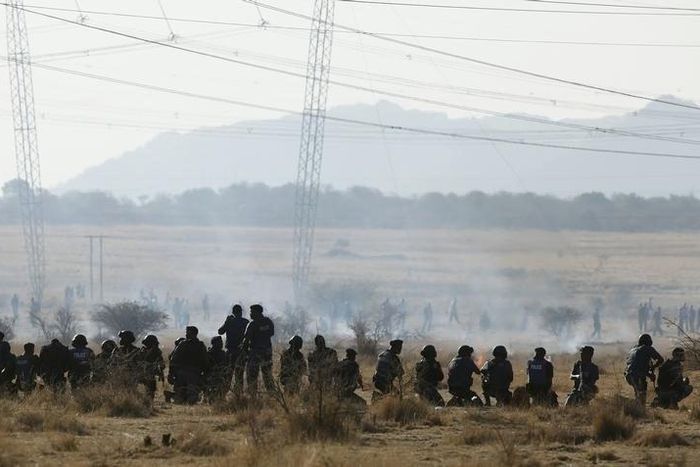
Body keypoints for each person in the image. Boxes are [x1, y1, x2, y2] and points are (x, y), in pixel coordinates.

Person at [242, 304, 275, 396]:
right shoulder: (268, 322)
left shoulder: (252, 324)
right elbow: (271, 333)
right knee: (267, 374)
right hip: (267, 351)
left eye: (252, 312)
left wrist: (243, 353)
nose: (250, 314)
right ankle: (272, 394)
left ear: (257, 312)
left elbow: (246, 340)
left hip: (255, 352)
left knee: (251, 375)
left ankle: (253, 395)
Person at [169, 326, 209, 404]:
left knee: (182, 396)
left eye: (188, 333)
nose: (186, 334)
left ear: (194, 333)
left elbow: (173, 359)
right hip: (192, 374)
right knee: (190, 397)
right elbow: (206, 362)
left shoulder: (183, 344)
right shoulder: (200, 345)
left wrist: (171, 373)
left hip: (185, 373)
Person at [625, 334, 664, 405]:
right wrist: (653, 367)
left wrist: (649, 374)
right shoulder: (647, 348)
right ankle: (638, 409)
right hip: (638, 376)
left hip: (628, 375)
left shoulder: (632, 349)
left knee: (638, 393)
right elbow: (661, 359)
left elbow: (635, 366)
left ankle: (635, 407)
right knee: (641, 395)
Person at [218, 304, 249, 394]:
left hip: (231, 351)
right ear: (241, 312)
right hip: (242, 351)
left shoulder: (230, 321)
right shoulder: (246, 322)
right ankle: (238, 394)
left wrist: (226, 322)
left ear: (233, 312)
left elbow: (220, 331)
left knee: (228, 374)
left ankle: (223, 393)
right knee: (239, 374)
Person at [136, 335, 165, 399]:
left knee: (150, 390)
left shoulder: (156, 351)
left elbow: (161, 364)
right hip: (142, 372)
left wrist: (160, 371)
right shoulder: (143, 350)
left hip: (149, 373)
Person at [205, 336, 230, 402]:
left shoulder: (223, 354)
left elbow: (226, 365)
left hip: (220, 375)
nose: (221, 344)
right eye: (219, 343)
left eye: (221, 342)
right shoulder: (209, 354)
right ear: (214, 343)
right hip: (211, 375)